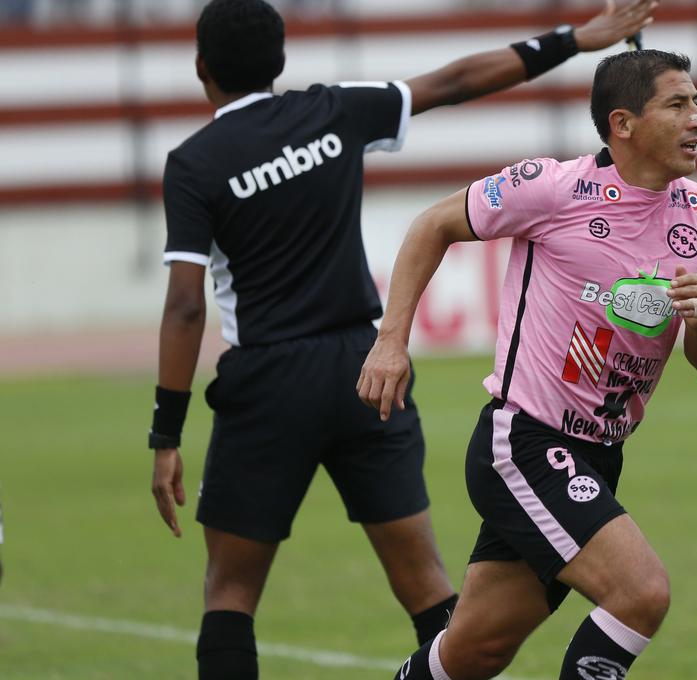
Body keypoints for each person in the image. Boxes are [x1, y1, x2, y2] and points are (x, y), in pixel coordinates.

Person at [146, 1, 656, 678]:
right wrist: (572, 40)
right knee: (427, 583)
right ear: (281, 60)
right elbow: (454, 81)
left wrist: (165, 432)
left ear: (201, 68)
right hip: (365, 371)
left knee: (231, 591)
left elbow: (185, 308)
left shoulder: (195, 163)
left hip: (268, 381)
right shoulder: (331, 112)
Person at [358, 48, 697, 680]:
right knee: (641, 593)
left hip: (600, 454)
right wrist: (391, 340)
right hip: (526, 443)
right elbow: (432, 225)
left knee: (472, 652)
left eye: (696, 102)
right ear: (623, 123)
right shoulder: (551, 187)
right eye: (678, 104)